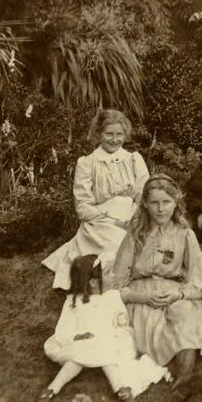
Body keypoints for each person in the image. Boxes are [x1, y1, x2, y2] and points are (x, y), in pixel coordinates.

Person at [112, 175, 202, 402]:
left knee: (186, 319)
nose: (161, 209)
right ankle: (189, 383)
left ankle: (182, 385)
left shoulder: (185, 234)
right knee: (156, 328)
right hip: (141, 296)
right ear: (145, 204)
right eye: (154, 203)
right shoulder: (135, 235)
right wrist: (143, 297)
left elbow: (197, 284)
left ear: (176, 203)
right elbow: (117, 285)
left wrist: (179, 294)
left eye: (166, 202)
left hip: (175, 293)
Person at [35, 254, 169, 402]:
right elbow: (65, 326)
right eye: (107, 273)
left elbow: (122, 318)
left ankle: (119, 387)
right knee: (77, 357)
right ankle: (52, 388)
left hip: (111, 340)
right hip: (83, 343)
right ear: (93, 282)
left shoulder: (112, 296)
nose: (112, 275)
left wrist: (150, 298)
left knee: (106, 353)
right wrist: (77, 336)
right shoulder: (74, 302)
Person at [42, 110, 149, 290]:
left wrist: (136, 218)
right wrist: (114, 221)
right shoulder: (87, 163)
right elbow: (83, 207)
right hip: (102, 220)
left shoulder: (134, 160)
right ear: (99, 133)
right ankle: (121, 285)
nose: (114, 139)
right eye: (109, 134)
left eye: (119, 134)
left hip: (133, 215)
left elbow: (144, 195)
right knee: (119, 246)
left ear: (125, 135)